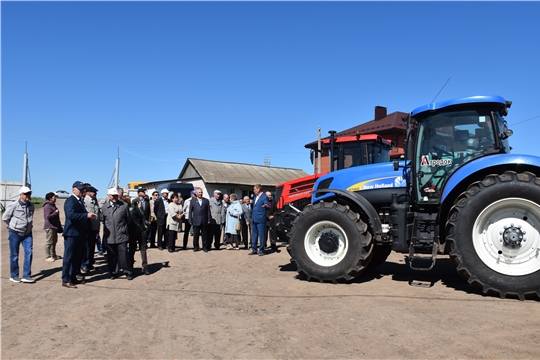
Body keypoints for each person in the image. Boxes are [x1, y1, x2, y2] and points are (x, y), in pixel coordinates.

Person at [62, 181, 97, 288]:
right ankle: (65, 279)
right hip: (72, 234)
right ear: (73, 190)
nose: (83, 191)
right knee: (68, 258)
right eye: (80, 189)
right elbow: (71, 215)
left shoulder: (80, 201)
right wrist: (86, 215)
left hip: (80, 234)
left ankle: (73, 277)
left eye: (83, 190)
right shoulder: (70, 201)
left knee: (77, 258)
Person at [3, 186, 36, 283]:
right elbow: (5, 217)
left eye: (29, 193)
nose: (28, 196)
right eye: (25, 194)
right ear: (20, 195)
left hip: (27, 234)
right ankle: (14, 275)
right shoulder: (14, 205)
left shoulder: (31, 206)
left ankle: (26, 275)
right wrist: (13, 225)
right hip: (15, 233)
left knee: (29, 253)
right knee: (14, 255)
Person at [102, 187, 133, 280]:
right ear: (109, 196)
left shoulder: (124, 206)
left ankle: (128, 271)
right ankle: (113, 272)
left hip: (121, 235)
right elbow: (104, 221)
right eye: (112, 195)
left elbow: (128, 219)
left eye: (116, 195)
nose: (114, 197)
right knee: (111, 256)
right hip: (110, 236)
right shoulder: (104, 207)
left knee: (124, 255)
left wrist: (122, 228)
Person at [127, 195, 149, 275]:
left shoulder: (127, 209)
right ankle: (145, 266)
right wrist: (140, 208)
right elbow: (143, 215)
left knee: (132, 249)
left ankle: (130, 267)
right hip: (139, 230)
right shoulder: (136, 209)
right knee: (143, 249)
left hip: (131, 231)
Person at [82, 186, 101, 272]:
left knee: (92, 247)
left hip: (94, 227)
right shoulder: (85, 201)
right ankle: (84, 265)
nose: (95, 194)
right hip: (87, 228)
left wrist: (97, 227)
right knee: (86, 248)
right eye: (94, 192)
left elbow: (97, 213)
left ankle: (89, 263)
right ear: (89, 192)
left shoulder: (95, 201)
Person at [189, 187, 211, 252]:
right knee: (196, 235)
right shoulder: (193, 201)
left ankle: (205, 247)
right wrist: (190, 220)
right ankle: (196, 247)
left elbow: (208, 211)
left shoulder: (206, 201)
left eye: (201, 192)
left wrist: (209, 219)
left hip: (204, 220)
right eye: (199, 192)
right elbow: (190, 211)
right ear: (196, 193)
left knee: (204, 235)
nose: (200, 194)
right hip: (196, 220)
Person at [250, 184, 269, 256]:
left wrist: (266, 205)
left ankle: (261, 250)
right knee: (254, 235)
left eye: (254, 189)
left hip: (261, 218)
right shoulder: (255, 197)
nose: (253, 190)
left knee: (261, 235)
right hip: (254, 218)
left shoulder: (264, 197)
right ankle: (254, 249)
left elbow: (267, 205)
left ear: (258, 189)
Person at [43, 191, 62, 262]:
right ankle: (48, 256)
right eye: (54, 197)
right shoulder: (47, 206)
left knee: (54, 241)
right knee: (49, 242)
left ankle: (53, 255)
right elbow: (48, 217)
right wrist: (55, 212)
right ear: (50, 198)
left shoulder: (52, 205)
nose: (55, 198)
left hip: (54, 226)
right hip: (49, 226)